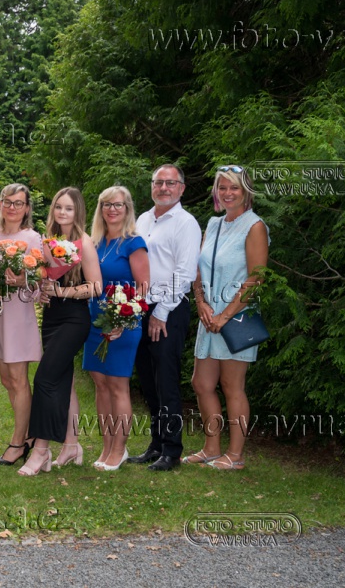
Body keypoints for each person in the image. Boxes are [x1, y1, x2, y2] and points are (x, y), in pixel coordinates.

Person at [189, 166, 269, 470]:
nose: (227, 193)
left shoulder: (255, 226)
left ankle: (235, 455)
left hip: (236, 317)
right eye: (222, 187)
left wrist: (224, 315)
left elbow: (256, 278)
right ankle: (211, 448)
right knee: (201, 383)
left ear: (246, 191)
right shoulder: (213, 224)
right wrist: (201, 303)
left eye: (234, 187)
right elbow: (197, 269)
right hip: (209, 316)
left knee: (231, 385)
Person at [18, 188, 101, 476]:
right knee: (64, 381)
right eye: (58, 207)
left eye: (68, 208)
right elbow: (46, 281)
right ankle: (72, 445)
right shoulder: (48, 242)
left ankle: (41, 450)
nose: (62, 212)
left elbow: (96, 286)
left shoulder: (84, 242)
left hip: (74, 320)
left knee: (44, 379)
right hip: (52, 319)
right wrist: (44, 290)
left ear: (78, 211)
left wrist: (62, 291)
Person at [128, 164, 202, 471]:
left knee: (166, 380)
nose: (163, 188)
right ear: (152, 187)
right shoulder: (143, 219)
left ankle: (172, 450)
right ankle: (156, 444)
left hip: (168, 310)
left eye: (171, 183)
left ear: (181, 188)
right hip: (141, 308)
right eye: (158, 182)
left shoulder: (186, 224)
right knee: (147, 380)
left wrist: (160, 313)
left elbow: (184, 273)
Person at [82, 186, 150, 471]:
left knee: (118, 386)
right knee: (100, 384)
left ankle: (120, 450)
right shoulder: (94, 243)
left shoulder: (134, 243)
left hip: (124, 323)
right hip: (95, 322)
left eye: (118, 204)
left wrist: (123, 320)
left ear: (127, 208)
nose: (112, 209)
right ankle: (107, 446)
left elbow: (144, 288)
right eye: (106, 204)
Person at [0, 184, 43, 466]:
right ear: (0, 204)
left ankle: (18, 443)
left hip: (18, 314)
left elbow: (41, 279)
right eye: (7, 201)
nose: (12, 207)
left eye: (18, 203)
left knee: (19, 380)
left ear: (27, 208)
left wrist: (23, 280)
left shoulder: (32, 238)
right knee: (7, 380)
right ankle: (29, 434)